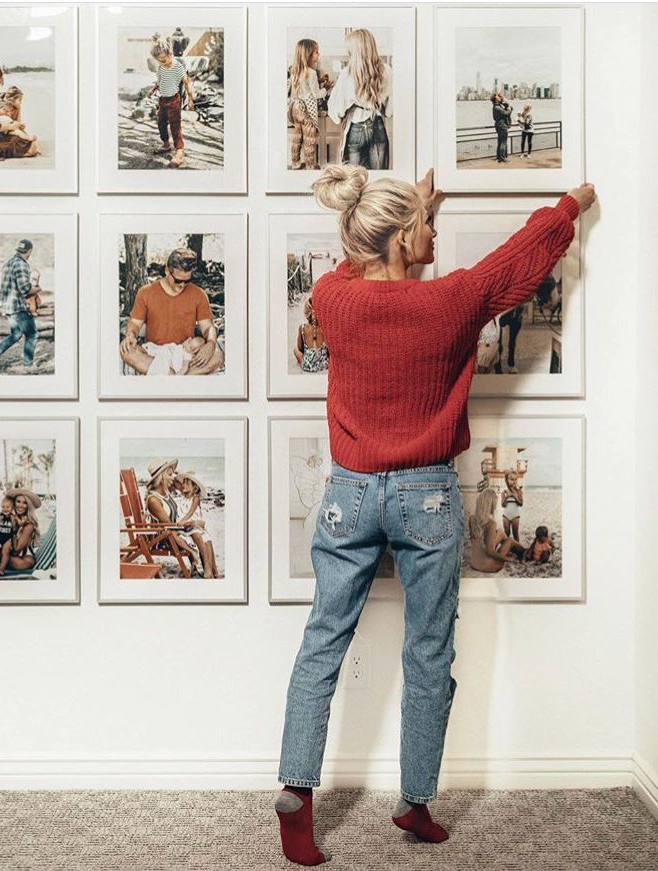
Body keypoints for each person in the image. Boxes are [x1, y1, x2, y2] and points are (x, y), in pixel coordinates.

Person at [274, 161, 595, 866]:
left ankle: (296, 789)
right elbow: (519, 258)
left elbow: (354, 268)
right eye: (426, 225)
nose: (434, 231)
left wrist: (401, 209)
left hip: (350, 493)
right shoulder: (453, 300)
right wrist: (570, 204)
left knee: (322, 641)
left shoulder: (333, 297)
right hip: (426, 496)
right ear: (398, 240)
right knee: (428, 649)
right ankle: (415, 802)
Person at [119, 248, 224, 377]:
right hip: (154, 353)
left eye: (187, 281)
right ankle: (178, 375)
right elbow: (134, 323)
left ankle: (167, 375)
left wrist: (211, 343)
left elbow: (208, 327)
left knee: (218, 356)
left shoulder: (199, 294)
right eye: (178, 280)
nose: (182, 285)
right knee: (126, 351)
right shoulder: (146, 292)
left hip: (185, 353)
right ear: (167, 271)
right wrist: (130, 335)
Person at [327, 29, 392, 170]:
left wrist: (341, 115)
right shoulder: (386, 70)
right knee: (378, 178)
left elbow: (336, 110)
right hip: (377, 125)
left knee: (353, 180)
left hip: (356, 127)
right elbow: (389, 108)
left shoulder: (347, 74)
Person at [0, 239, 39, 371]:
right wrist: (38, 289)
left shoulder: (8, 264)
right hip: (18, 308)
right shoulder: (21, 265)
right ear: (30, 251)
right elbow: (25, 289)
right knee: (32, 334)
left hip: (8, 307)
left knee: (16, 335)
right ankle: (28, 366)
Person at [147, 36, 195, 168]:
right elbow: (160, 81)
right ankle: (166, 144)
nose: (163, 62)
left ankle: (179, 152)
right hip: (162, 100)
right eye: (160, 61)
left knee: (175, 126)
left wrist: (190, 99)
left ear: (170, 54)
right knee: (161, 122)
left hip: (174, 100)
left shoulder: (177, 67)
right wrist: (153, 90)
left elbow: (186, 82)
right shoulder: (161, 67)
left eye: (164, 59)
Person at [288, 39, 332, 170]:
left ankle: (295, 162)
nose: (319, 55)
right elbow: (317, 94)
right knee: (309, 138)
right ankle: (310, 166)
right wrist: (326, 87)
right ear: (308, 55)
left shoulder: (295, 71)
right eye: (316, 52)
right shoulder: (311, 73)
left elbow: (304, 87)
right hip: (306, 110)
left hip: (296, 108)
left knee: (298, 136)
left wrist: (320, 80)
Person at [173, 471, 220, 578]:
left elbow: (191, 511)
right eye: (183, 483)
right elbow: (175, 482)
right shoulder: (182, 496)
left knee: (207, 540)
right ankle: (208, 570)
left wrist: (185, 520)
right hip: (186, 527)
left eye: (187, 483)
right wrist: (179, 473)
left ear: (195, 488)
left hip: (193, 524)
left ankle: (212, 569)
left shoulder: (195, 498)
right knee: (198, 536)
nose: (183, 485)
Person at [468, 488, 525, 574]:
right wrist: (508, 559)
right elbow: (490, 551)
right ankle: (524, 552)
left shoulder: (472, 519)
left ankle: (522, 551)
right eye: (494, 504)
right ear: (490, 505)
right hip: (489, 566)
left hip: (474, 563)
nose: (495, 507)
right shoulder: (490, 523)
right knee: (509, 541)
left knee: (501, 533)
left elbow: (479, 542)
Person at [293, 294, 329, 373]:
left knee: (295, 350)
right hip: (325, 365)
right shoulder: (326, 328)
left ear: (306, 312)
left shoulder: (302, 328)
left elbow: (300, 349)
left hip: (308, 366)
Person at [500, 470, 524, 541]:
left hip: (515, 516)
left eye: (515, 479)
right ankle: (506, 549)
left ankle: (517, 550)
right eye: (512, 479)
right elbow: (503, 505)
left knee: (515, 534)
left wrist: (515, 497)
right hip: (506, 516)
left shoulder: (519, 491)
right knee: (506, 533)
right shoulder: (504, 491)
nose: (514, 481)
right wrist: (507, 497)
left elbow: (521, 504)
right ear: (507, 480)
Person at [492, 93, 512, 163]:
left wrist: (506, 104)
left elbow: (505, 112)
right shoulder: (497, 107)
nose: (500, 97)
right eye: (498, 97)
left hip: (499, 125)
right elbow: (506, 113)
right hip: (502, 126)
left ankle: (499, 156)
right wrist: (509, 108)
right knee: (503, 142)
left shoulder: (497, 106)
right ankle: (503, 158)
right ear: (496, 99)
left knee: (500, 141)